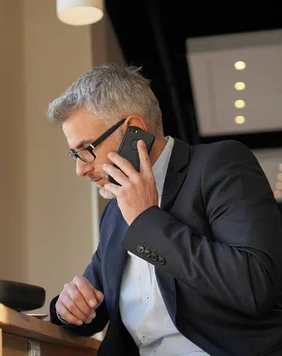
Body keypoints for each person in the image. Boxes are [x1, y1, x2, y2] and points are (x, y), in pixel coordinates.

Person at [45, 64, 282, 356]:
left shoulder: (220, 165)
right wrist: (67, 307)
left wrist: (146, 221)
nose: (81, 169)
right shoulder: (114, 212)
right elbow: (93, 308)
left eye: (86, 149)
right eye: (74, 155)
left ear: (135, 130)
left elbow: (253, 286)